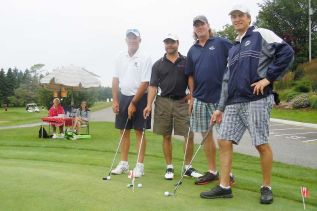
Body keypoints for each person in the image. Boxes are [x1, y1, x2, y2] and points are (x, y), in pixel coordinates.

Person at [200, 4, 294, 204]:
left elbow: (287, 53)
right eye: (233, 16)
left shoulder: (262, 34)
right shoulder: (233, 48)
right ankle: (225, 186)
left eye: (240, 15)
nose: (237, 19)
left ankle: (266, 186)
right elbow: (227, 80)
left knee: (260, 143)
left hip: (257, 100)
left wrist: (268, 78)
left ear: (248, 18)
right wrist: (219, 108)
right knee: (224, 140)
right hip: (234, 102)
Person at [143, 33, 202, 180]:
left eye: (172, 42)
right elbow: (153, 86)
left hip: (182, 101)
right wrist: (148, 105)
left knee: (189, 134)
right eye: (167, 42)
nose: (170, 45)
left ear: (178, 43)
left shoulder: (186, 61)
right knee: (166, 135)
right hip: (163, 101)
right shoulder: (158, 64)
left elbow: (191, 79)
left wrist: (192, 97)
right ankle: (169, 167)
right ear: (165, 44)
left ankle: (188, 167)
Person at [185, 15, 234, 185]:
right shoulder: (192, 50)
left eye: (202, 24)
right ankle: (213, 171)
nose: (199, 27)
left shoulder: (221, 43)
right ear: (194, 29)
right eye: (196, 25)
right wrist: (191, 96)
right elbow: (190, 75)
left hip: (220, 99)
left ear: (208, 26)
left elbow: (236, 56)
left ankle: (229, 174)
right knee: (206, 137)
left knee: (224, 138)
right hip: (199, 98)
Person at [111, 29, 152, 178]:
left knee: (139, 131)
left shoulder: (145, 57)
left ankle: (139, 166)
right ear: (126, 40)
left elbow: (145, 82)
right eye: (129, 38)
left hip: (140, 97)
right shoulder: (119, 56)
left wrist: (134, 103)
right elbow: (115, 79)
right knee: (123, 131)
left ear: (139, 40)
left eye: (135, 38)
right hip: (123, 96)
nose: (132, 40)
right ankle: (123, 163)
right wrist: (115, 100)